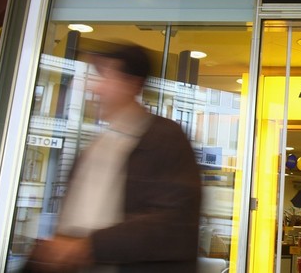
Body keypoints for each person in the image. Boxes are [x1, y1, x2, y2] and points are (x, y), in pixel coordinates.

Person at [27, 44, 201, 272]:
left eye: (105, 76)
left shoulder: (166, 138)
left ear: (132, 83)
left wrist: (87, 246)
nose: (95, 88)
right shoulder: (95, 147)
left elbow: (174, 222)